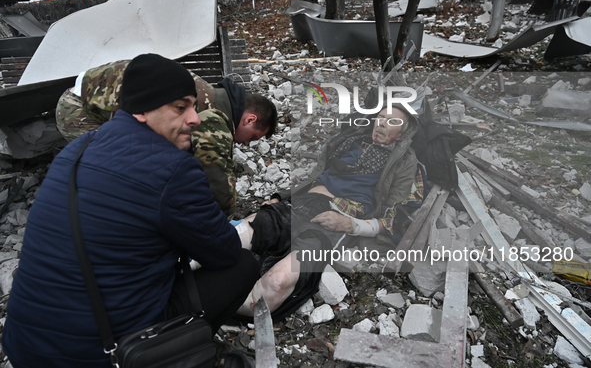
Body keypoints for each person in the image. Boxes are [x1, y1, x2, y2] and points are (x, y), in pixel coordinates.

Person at [2, 54, 259, 368]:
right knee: (243, 265)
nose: (194, 118)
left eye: (193, 105)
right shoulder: (174, 170)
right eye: (181, 107)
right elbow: (225, 252)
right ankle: (179, 353)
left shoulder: (77, 148)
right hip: (102, 355)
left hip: (24, 346)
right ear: (141, 110)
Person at [234, 103, 423, 318]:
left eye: (392, 122)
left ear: (401, 135)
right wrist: (281, 197)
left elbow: (394, 219)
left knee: (276, 283)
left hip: (333, 223)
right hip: (302, 203)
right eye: (380, 117)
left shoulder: (406, 164)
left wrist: (351, 225)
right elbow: (314, 176)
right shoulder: (350, 141)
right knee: (235, 235)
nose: (381, 123)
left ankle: (218, 314)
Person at [55, 60, 277, 219]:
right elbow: (214, 172)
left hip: (94, 98)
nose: (246, 144)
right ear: (249, 119)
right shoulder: (211, 112)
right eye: (253, 138)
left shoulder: (210, 96)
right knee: (118, 178)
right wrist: (224, 220)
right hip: (80, 108)